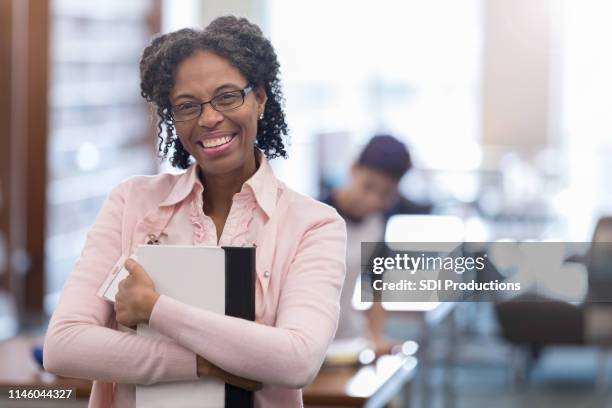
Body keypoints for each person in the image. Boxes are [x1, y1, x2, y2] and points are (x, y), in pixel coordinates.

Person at [43, 16, 346, 408]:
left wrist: (155, 310)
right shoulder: (131, 203)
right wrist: (206, 362)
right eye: (187, 106)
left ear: (260, 98)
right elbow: (64, 346)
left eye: (227, 96)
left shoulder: (314, 225)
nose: (208, 118)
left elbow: (296, 360)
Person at [321, 134, 416, 353]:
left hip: (350, 337)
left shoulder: (378, 223)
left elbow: (376, 287)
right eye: (369, 187)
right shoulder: (317, 214)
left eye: (386, 193)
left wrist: (376, 337)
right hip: (313, 339)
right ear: (353, 169)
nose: (374, 200)